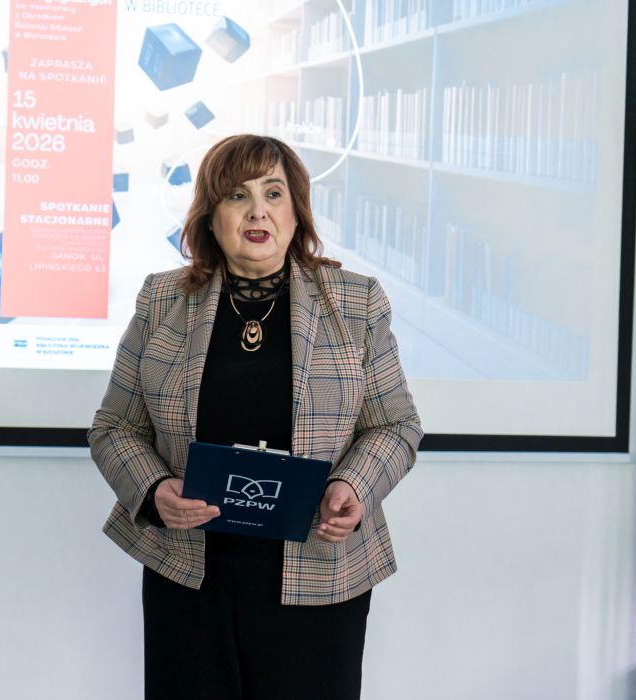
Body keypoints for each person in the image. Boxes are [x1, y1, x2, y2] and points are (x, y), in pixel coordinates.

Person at [89, 134, 422, 700]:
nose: (257, 211)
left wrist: (353, 484)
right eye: (237, 195)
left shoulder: (356, 302)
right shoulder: (162, 300)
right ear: (210, 215)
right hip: (189, 571)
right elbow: (114, 427)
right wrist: (154, 489)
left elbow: (396, 424)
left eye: (274, 193)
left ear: (296, 212)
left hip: (317, 569)